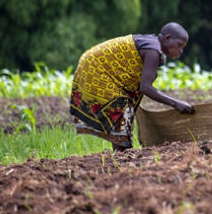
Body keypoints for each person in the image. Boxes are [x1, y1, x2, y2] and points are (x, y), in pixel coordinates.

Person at [69, 22, 195, 152]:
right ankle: (121, 154)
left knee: (124, 110)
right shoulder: (153, 51)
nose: (181, 50)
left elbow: (140, 83)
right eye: (179, 45)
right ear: (167, 38)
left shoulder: (152, 45)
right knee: (121, 107)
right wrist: (175, 103)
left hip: (92, 65)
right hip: (95, 70)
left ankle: (121, 153)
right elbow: (145, 87)